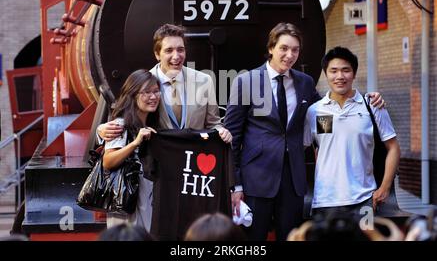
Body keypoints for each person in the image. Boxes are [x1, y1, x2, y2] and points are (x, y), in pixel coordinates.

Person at [224, 23, 384, 241]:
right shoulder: (246, 81)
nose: (290, 55)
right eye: (284, 48)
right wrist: (236, 185)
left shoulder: (304, 83)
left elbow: (328, 115)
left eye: (295, 50)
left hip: (293, 181)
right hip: (256, 181)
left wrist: (368, 100)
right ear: (271, 48)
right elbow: (233, 137)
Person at [304, 46, 400, 219]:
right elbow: (312, 148)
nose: (340, 76)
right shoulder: (315, 111)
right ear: (326, 73)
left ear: (354, 74)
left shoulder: (373, 106)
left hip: (364, 201)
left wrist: (385, 188)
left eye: (345, 70)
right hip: (325, 201)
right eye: (333, 71)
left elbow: (393, 148)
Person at [97, 23, 232, 143]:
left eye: (180, 49)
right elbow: (125, 118)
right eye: (169, 50)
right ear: (157, 54)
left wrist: (221, 131)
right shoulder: (142, 83)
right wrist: (100, 130)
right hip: (158, 161)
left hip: (193, 160)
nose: (176, 56)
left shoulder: (204, 80)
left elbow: (213, 124)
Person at [102, 69, 160, 230]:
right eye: (146, 92)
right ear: (133, 95)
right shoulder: (121, 124)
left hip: (145, 199)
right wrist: (135, 143)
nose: (153, 97)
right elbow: (108, 161)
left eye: (156, 91)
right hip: (128, 202)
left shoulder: (151, 124)